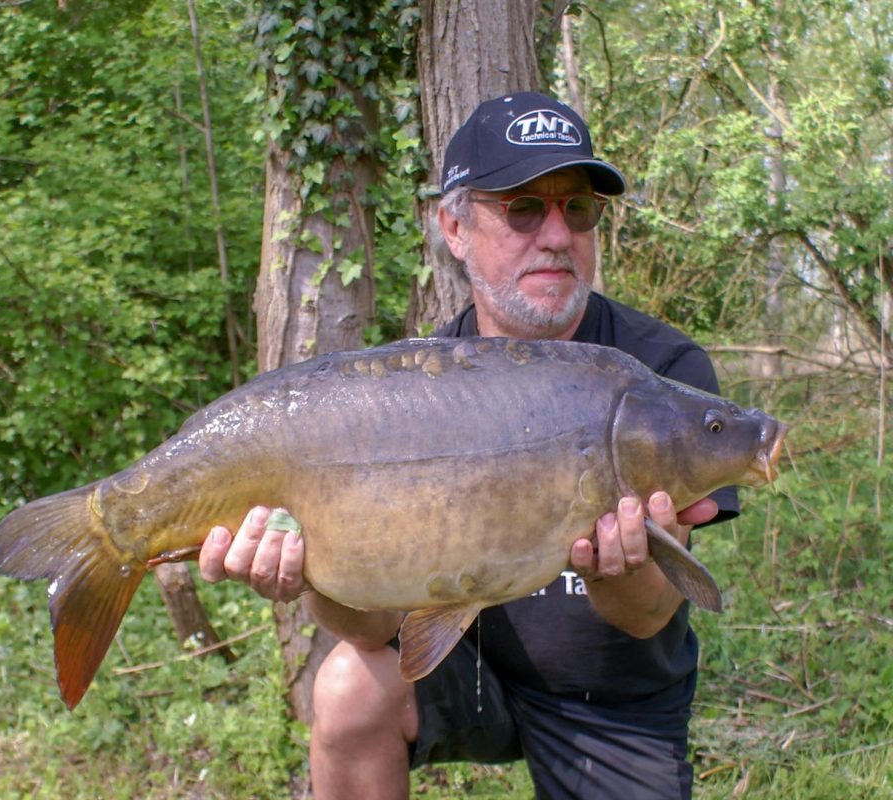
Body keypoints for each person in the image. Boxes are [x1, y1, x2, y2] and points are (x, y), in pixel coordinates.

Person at [198, 91, 738, 799]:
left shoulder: (660, 374)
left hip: (615, 702)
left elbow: (647, 614)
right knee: (348, 687)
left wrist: (619, 565)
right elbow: (370, 626)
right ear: (454, 226)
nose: (556, 233)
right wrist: (305, 578)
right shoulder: (415, 388)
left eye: (577, 209)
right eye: (523, 207)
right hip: (468, 667)